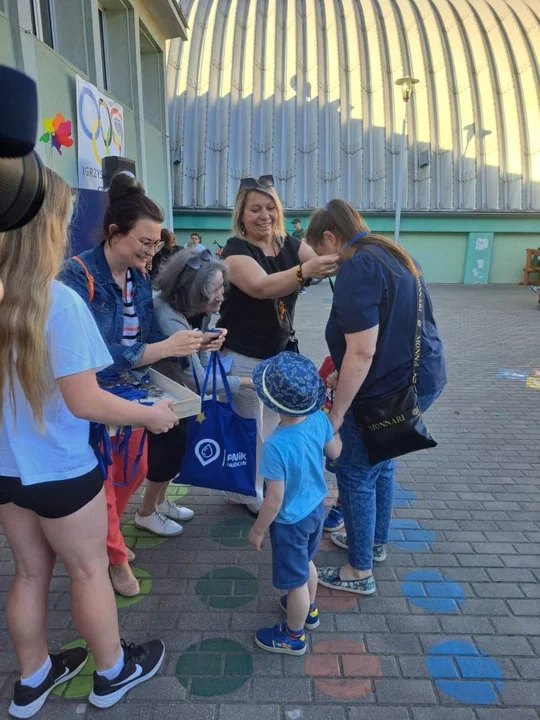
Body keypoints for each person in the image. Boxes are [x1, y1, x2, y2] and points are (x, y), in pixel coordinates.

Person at [0, 168, 178, 718]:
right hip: (61, 469)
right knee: (87, 571)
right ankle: (112, 672)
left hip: (8, 469)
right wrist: (151, 414)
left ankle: (33, 680)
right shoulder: (59, 302)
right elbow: (87, 401)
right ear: (50, 226)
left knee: (28, 573)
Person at [60, 173, 203, 597]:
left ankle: (105, 540)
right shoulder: (77, 275)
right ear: (113, 233)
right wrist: (161, 350)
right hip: (89, 398)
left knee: (136, 469)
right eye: (145, 242)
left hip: (133, 388)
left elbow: (146, 339)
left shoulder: (139, 278)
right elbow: (94, 353)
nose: (152, 251)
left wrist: (192, 342)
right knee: (102, 483)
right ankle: (113, 557)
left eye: (157, 243)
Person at [305, 199, 446, 595]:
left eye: (321, 253)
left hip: (385, 390)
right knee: (380, 463)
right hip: (419, 379)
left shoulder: (359, 267)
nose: (324, 264)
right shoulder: (390, 253)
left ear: (331, 238)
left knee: (355, 473)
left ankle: (359, 571)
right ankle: (374, 544)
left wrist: (337, 414)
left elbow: (363, 352)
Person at [217, 174, 340, 514]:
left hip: (277, 356)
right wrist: (306, 270)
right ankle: (248, 491)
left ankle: (255, 486)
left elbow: (324, 259)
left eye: (270, 207)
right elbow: (262, 286)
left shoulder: (289, 244)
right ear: (241, 214)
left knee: (270, 429)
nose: (264, 215)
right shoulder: (235, 250)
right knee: (250, 431)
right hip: (242, 355)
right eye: (255, 209)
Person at [137, 247, 254, 534]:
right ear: (193, 290)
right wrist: (245, 383)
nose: (221, 296)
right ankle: (146, 511)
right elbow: (199, 382)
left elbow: (197, 366)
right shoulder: (170, 319)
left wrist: (207, 344)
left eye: (221, 288)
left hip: (177, 393)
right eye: (214, 290)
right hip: (162, 394)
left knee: (176, 448)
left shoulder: (194, 311)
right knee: (168, 452)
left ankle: (160, 502)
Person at [248, 352, 342, 655]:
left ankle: (293, 636)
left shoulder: (276, 445)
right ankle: (309, 610)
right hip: (317, 508)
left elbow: (273, 500)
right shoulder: (318, 419)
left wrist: (259, 530)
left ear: (272, 403)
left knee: (295, 581)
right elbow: (336, 452)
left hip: (290, 522)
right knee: (306, 564)